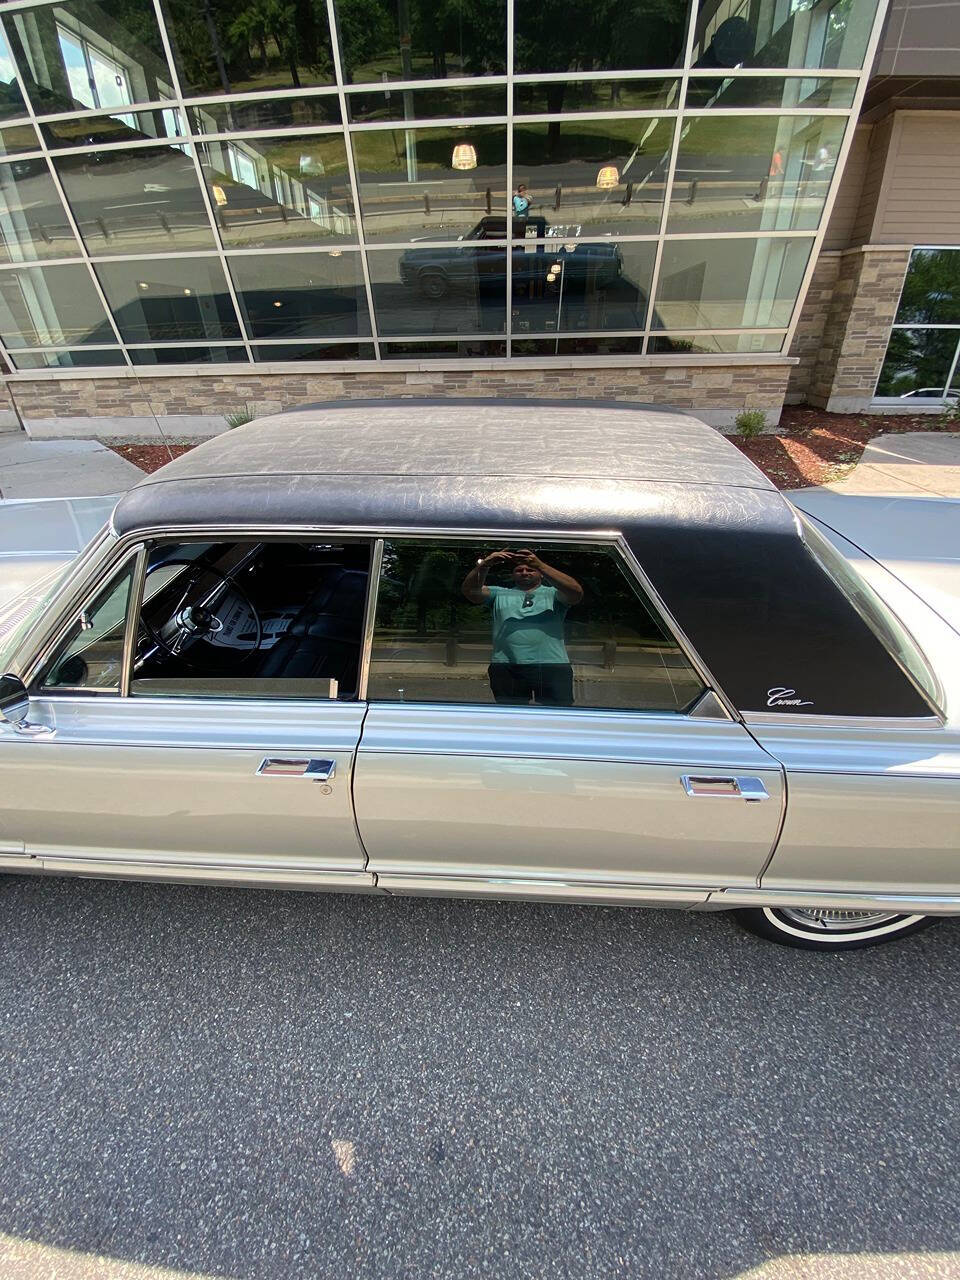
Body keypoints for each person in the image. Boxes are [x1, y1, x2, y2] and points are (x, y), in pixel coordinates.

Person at [462, 548, 583, 705]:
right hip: (506, 665)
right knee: (511, 716)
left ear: (540, 574)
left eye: (530, 569)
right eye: (519, 570)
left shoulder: (554, 594)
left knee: (557, 715)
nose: (524, 572)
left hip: (551, 664)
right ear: (513, 575)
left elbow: (576, 592)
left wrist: (540, 565)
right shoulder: (499, 593)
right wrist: (484, 565)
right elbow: (470, 591)